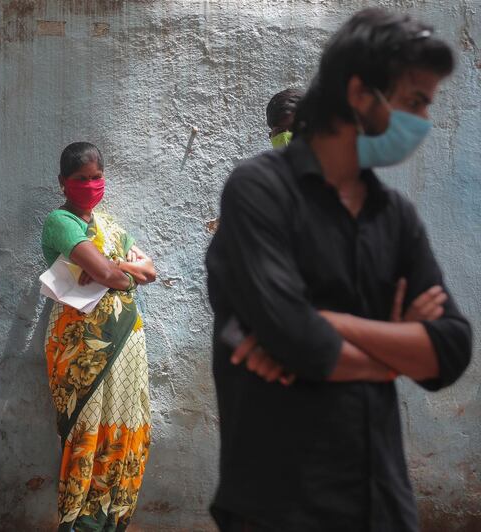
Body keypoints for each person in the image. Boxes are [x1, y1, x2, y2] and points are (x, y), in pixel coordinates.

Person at [206, 9, 472, 532]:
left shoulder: (395, 217)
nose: (422, 120)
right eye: (414, 101)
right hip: (279, 504)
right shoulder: (259, 191)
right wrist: (397, 346)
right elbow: (293, 335)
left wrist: (320, 322)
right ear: (359, 94)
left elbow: (452, 350)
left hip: (382, 500)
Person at [41, 142, 157, 531]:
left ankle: (112, 523)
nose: (90, 185)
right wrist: (120, 273)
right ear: (63, 183)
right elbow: (111, 277)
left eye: (96, 178)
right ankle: (79, 525)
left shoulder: (111, 227)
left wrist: (114, 265)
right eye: (81, 179)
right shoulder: (61, 222)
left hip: (126, 345)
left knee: (124, 431)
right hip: (81, 350)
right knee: (85, 433)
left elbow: (150, 271)